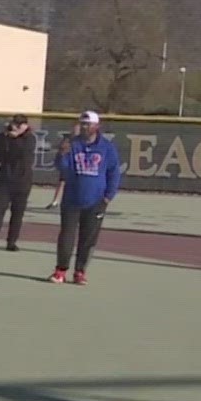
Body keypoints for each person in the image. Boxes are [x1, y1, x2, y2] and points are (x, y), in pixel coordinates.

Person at [50, 111, 121, 286]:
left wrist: (108, 196)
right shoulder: (72, 145)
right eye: (82, 124)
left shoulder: (107, 148)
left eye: (88, 124)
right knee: (66, 236)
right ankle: (61, 270)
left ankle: (80, 272)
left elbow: (114, 172)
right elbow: (63, 168)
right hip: (72, 200)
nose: (84, 127)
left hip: (96, 201)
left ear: (97, 126)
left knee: (88, 238)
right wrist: (61, 154)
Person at [0, 115, 36, 252]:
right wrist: (4, 135)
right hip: (4, 180)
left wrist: (16, 137)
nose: (16, 127)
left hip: (22, 181)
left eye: (20, 125)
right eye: (15, 124)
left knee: (17, 213)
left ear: (25, 125)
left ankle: (11, 242)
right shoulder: (5, 137)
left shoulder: (30, 138)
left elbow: (22, 152)